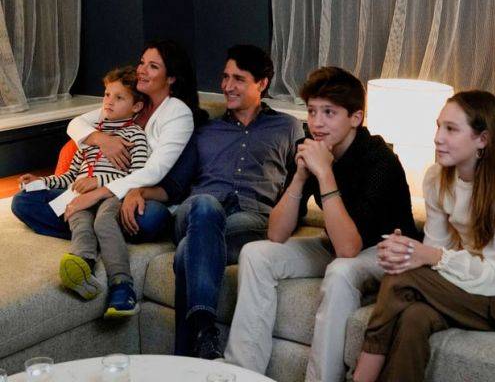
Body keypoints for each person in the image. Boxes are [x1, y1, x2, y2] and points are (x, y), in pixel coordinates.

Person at [224, 66, 418, 382]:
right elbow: (276, 233)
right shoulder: (310, 148)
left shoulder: (379, 159)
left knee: (340, 272)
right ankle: (242, 373)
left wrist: (325, 173)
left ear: (355, 118)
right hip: (338, 242)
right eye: (312, 111)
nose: (317, 122)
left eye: (329, 112)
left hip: (387, 252)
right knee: (255, 254)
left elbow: (348, 249)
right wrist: (300, 177)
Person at [353, 90, 495, 382]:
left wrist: (426, 257)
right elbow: (434, 250)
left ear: (482, 139)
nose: (437, 138)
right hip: (470, 283)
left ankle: (360, 378)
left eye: (451, 129)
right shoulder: (437, 178)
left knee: (398, 281)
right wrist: (405, 251)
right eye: (438, 126)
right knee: (414, 317)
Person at [132, 44, 304, 358]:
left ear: (262, 83)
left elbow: (300, 187)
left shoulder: (288, 128)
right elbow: (174, 185)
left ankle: (190, 354)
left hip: (251, 220)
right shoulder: (205, 129)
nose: (227, 86)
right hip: (195, 212)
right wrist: (137, 191)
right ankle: (205, 330)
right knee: (205, 206)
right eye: (225, 77)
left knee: (187, 251)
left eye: (238, 79)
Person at [11, 39, 202, 242]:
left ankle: (86, 226)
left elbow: (153, 172)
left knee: (151, 219)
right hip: (94, 189)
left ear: (171, 78)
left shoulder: (177, 112)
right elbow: (75, 124)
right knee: (23, 201)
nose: (142, 70)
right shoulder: (128, 103)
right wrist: (102, 139)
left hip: (136, 194)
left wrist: (97, 193)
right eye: (142, 62)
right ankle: (100, 231)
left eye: (153, 66)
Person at [18, 66, 149, 317]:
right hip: (79, 199)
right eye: (107, 95)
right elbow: (70, 177)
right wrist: (42, 182)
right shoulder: (90, 139)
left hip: (111, 197)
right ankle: (83, 264)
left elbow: (138, 176)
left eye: (119, 97)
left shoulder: (135, 136)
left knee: (103, 222)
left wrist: (98, 181)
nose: (109, 102)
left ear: (136, 106)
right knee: (77, 218)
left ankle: (122, 285)